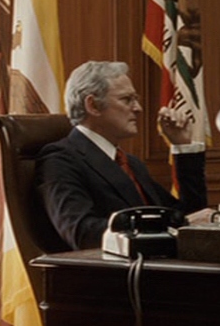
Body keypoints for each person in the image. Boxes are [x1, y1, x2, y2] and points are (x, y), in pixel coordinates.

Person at [36, 60, 206, 250]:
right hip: (111, 267)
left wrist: (183, 146)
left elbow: (190, 216)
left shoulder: (130, 163)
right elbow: (82, 233)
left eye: (136, 99)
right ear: (93, 105)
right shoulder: (60, 159)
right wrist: (173, 226)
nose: (138, 108)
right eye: (127, 99)